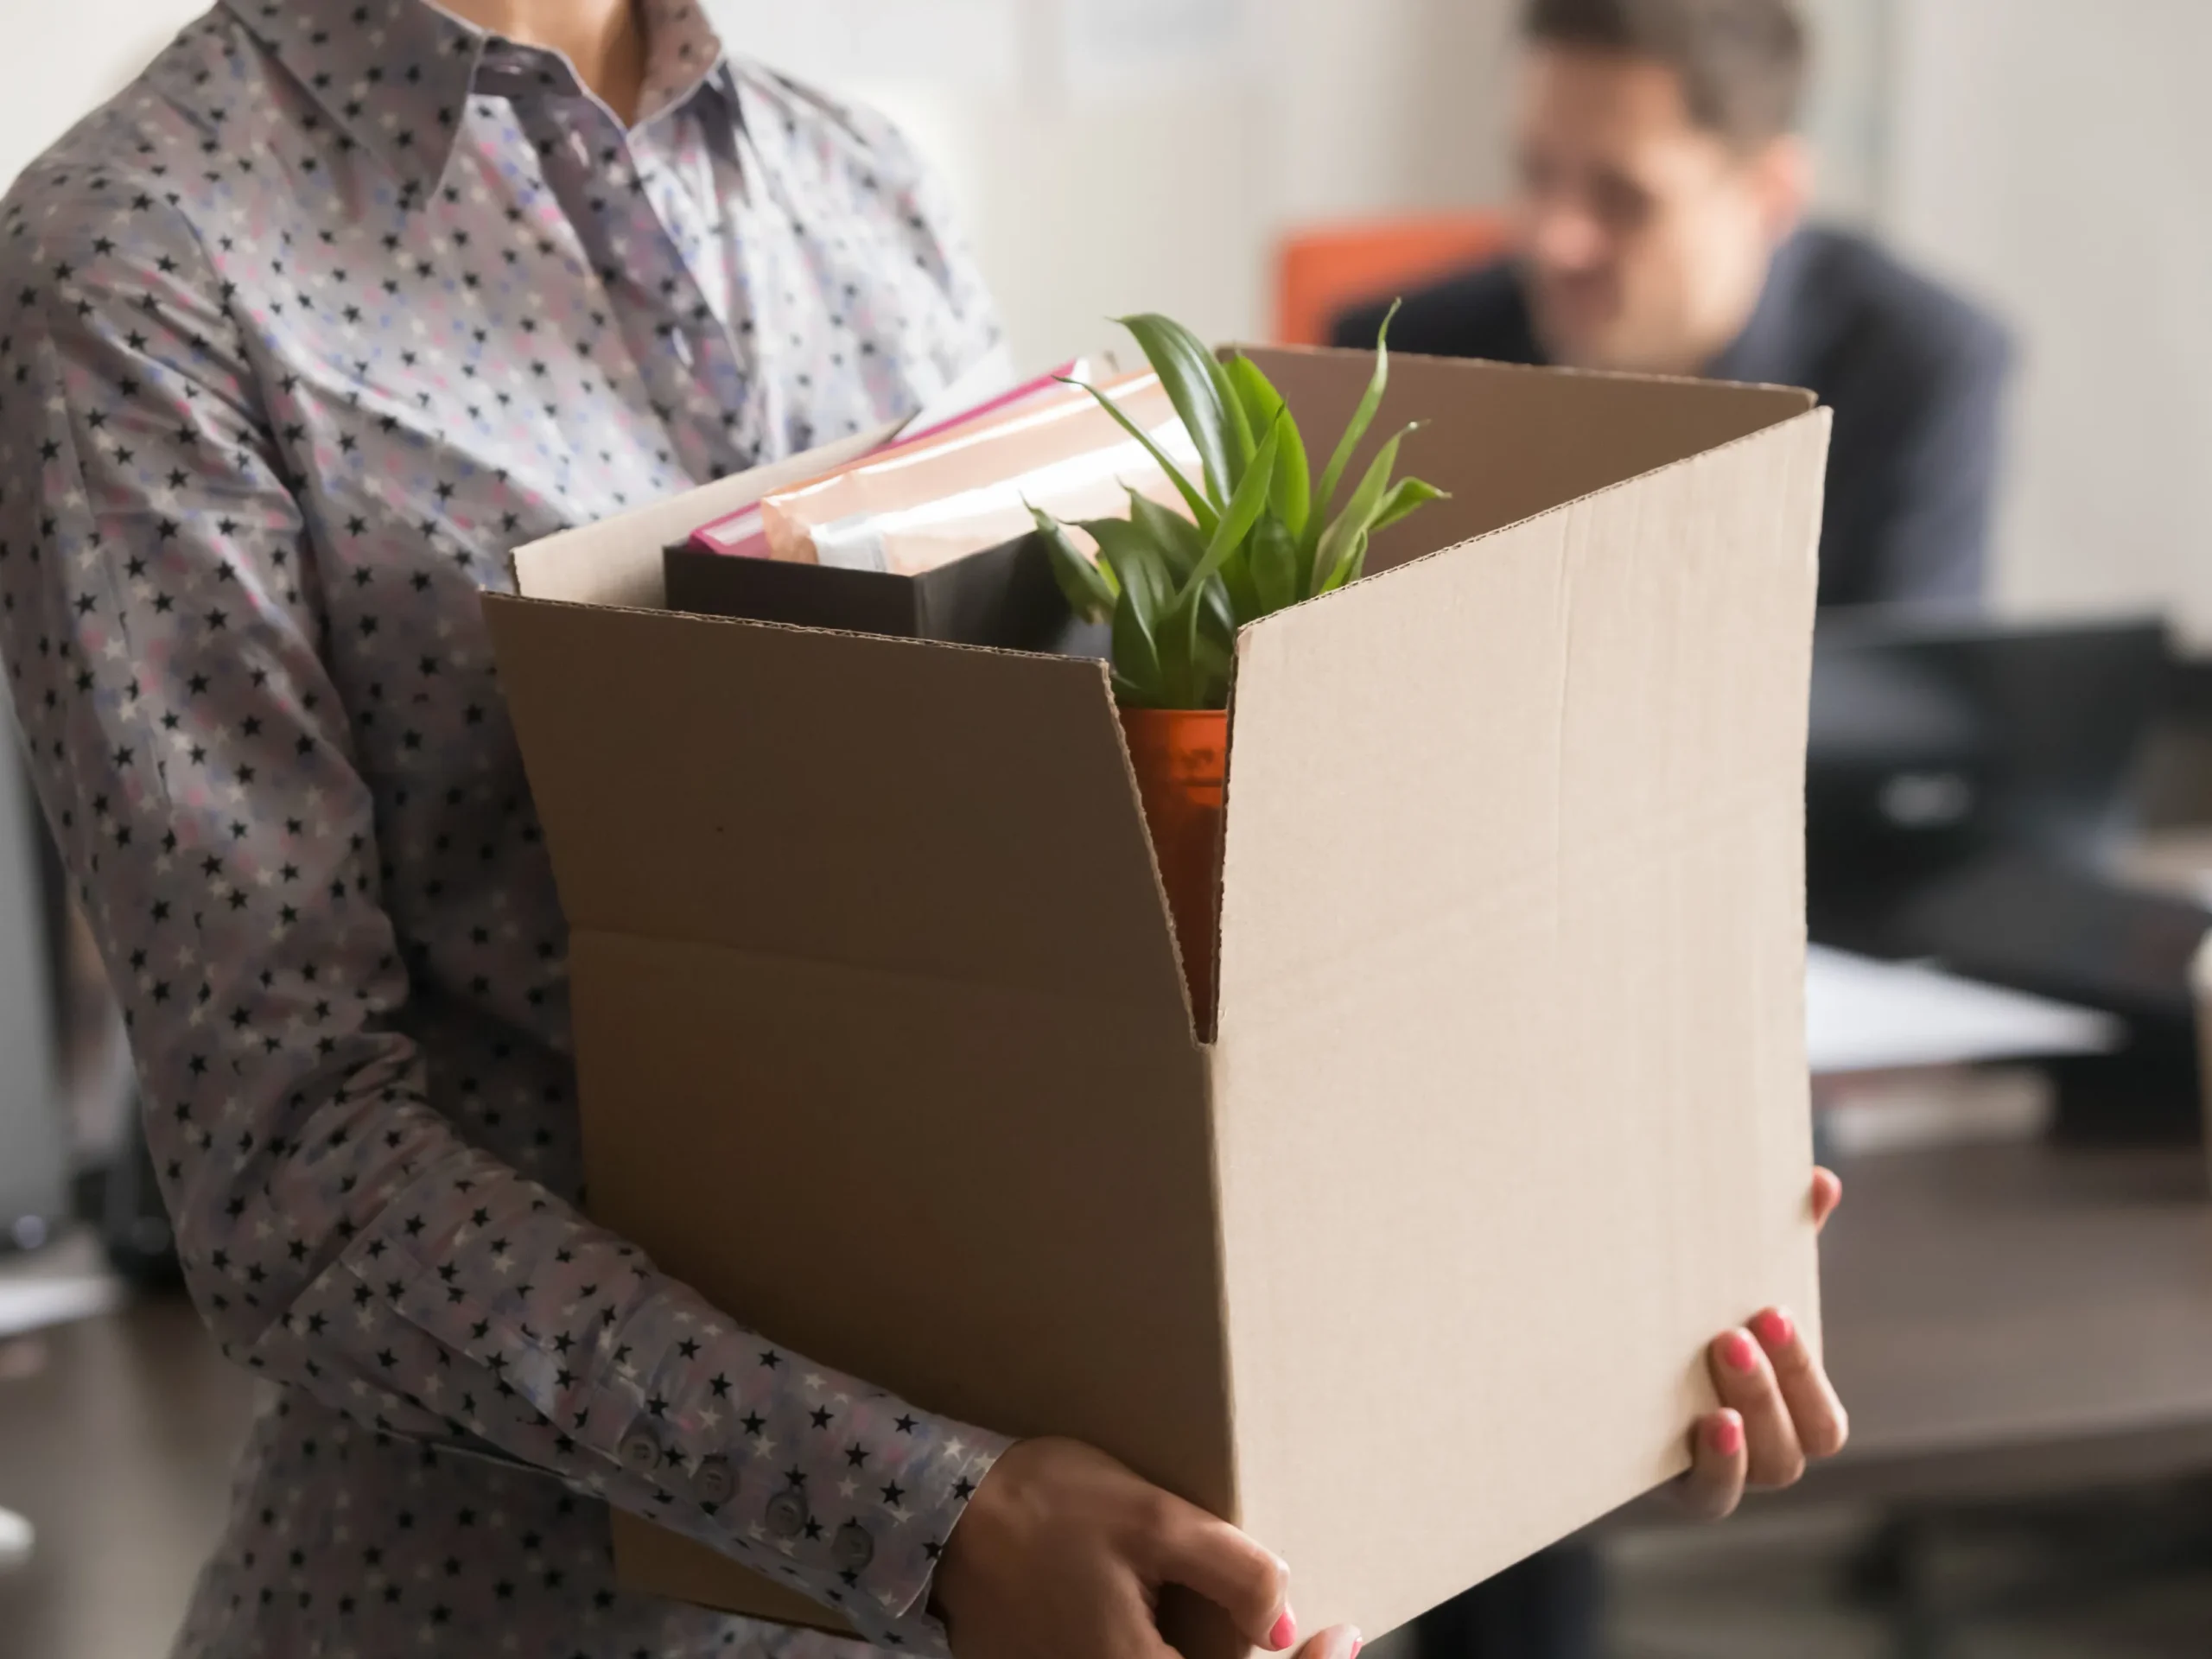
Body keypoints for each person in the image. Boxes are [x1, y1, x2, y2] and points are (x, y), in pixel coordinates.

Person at [0, 1, 1848, 1656]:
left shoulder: (855, 183)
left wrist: (1546, 1363)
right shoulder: (140, 262)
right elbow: (293, 1183)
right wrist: (942, 1514)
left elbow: (1069, 968)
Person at [1336, 0, 2012, 612]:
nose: (1554, 241)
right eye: (1536, 172)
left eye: (1624, 199)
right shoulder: (1397, 360)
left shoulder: (1921, 367)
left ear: (1773, 195)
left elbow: (1912, 719)